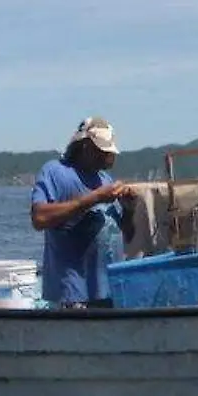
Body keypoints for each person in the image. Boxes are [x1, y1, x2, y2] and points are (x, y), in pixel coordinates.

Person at [30, 116, 135, 308]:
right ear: (86, 147)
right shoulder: (55, 172)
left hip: (109, 292)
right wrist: (94, 198)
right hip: (74, 296)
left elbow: (125, 236)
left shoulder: (105, 179)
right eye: (102, 152)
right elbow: (39, 218)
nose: (108, 158)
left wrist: (129, 210)